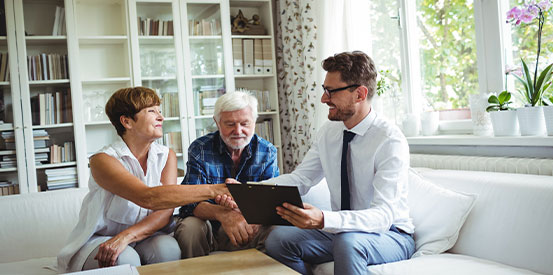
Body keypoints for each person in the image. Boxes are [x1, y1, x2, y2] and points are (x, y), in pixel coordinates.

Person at [252, 51, 414, 274]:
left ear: (359, 94)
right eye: (324, 90)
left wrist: (323, 219)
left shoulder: (389, 140)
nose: (324, 99)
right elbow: (301, 179)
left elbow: (383, 216)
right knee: (278, 239)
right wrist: (250, 192)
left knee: (349, 243)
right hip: (343, 231)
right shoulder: (329, 132)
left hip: (390, 234)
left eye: (331, 91)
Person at [57, 87, 231, 272]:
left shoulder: (166, 156)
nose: (161, 117)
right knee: (125, 258)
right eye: (151, 111)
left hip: (145, 235)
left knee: (168, 250)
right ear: (127, 122)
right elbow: (148, 197)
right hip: (102, 238)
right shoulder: (102, 160)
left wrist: (126, 236)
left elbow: (164, 212)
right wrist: (218, 189)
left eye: (159, 111)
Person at [173, 91, 279, 259]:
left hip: (249, 224)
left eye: (245, 123)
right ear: (217, 122)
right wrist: (223, 213)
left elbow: (271, 202)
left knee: (276, 230)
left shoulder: (267, 151)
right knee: (190, 227)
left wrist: (242, 208)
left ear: (254, 121)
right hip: (209, 227)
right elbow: (189, 203)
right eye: (230, 124)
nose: (238, 131)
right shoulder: (200, 149)